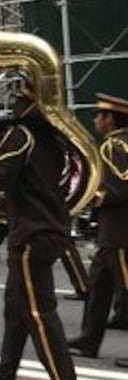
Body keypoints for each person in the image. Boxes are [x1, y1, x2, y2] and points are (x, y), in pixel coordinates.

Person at [0, 87, 82, 380]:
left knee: (37, 311)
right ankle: (6, 370)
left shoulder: (22, 135)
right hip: (42, 228)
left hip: (33, 232)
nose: (13, 106)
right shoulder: (52, 138)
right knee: (15, 304)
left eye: (18, 101)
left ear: (29, 103)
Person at [68, 93, 128, 358]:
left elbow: (117, 189)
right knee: (99, 285)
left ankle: (89, 339)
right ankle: (88, 339)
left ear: (109, 119)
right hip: (113, 232)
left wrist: (87, 197)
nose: (95, 120)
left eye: (98, 116)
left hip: (120, 230)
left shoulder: (113, 146)